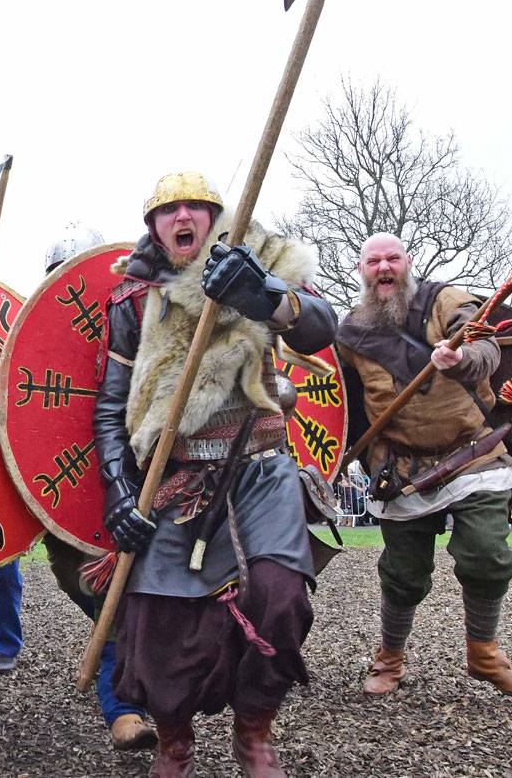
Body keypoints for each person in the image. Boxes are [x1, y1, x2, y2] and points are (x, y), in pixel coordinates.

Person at [93, 172, 336, 778]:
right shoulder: (133, 298)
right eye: (168, 209)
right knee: (153, 630)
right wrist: (119, 486)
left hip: (259, 467)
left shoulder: (261, 263)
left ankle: (254, 728)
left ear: (213, 216)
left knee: (280, 599)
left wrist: (265, 296)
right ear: (153, 226)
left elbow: (319, 325)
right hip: (173, 478)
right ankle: (175, 740)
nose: (183, 216)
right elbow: (110, 403)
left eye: (195, 207)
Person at [337, 232, 512, 701]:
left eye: (392, 258)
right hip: (401, 469)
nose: (384, 268)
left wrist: (461, 358)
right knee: (403, 575)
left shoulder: (445, 301)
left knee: (486, 554)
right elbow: (338, 399)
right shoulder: (350, 332)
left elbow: (487, 349)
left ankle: (483, 653)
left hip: (471, 455)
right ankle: (389, 658)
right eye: (373, 262)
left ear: (408, 263)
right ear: (362, 271)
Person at [37, 221, 158, 752]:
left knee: (152, 588)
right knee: (92, 583)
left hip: (145, 475)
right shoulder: (34, 335)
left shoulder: (141, 311)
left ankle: (124, 707)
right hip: (65, 483)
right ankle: (129, 676)